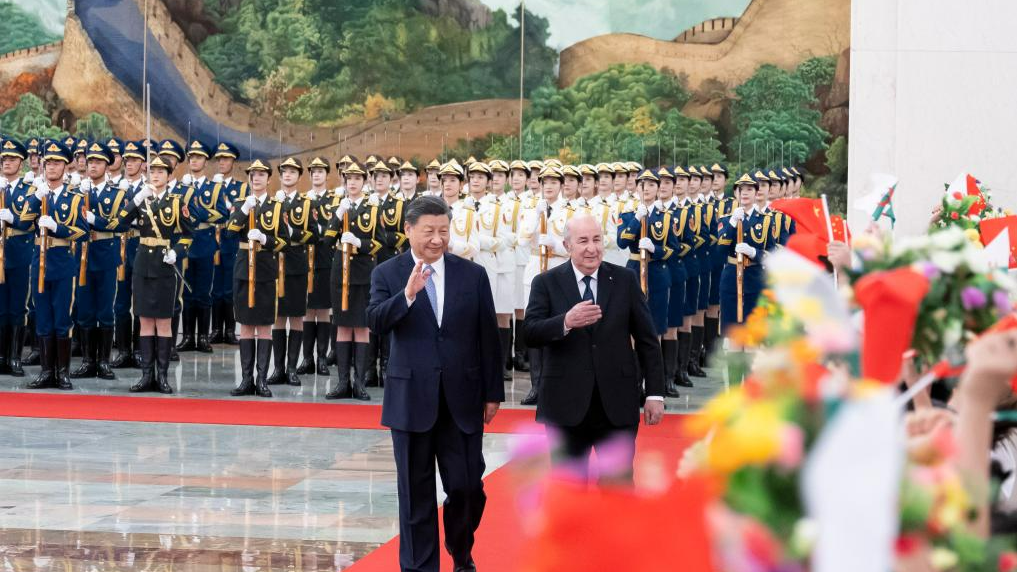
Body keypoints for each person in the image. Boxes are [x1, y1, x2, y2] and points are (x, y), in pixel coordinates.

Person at [367, 195, 503, 572]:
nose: (437, 239)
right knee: (415, 495)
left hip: (463, 398)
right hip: (411, 399)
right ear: (408, 230)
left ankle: (461, 551)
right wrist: (408, 295)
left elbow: (488, 335)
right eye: (428, 231)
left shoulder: (471, 274)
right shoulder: (388, 274)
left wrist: (494, 392)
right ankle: (419, 567)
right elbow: (376, 321)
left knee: (466, 487)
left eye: (443, 230)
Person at [524, 213, 664, 481]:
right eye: (583, 241)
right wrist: (565, 321)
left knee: (619, 490)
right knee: (570, 493)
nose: (592, 248)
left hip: (617, 405)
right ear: (568, 246)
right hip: (565, 406)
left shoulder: (625, 280)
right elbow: (531, 333)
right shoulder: (546, 282)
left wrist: (654, 393)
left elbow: (647, 339)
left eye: (597, 240)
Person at [115, 155, 193, 393]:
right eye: (153, 171)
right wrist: (136, 199)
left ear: (169, 176)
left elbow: (189, 234)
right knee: (145, 320)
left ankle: (162, 376)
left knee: (164, 322)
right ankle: (146, 376)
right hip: (142, 264)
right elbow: (119, 222)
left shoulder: (177, 202)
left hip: (164, 265)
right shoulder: (141, 199)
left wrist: (177, 253)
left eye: (161, 171)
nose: (156, 175)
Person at [23, 140, 89, 390]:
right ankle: (46, 371)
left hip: (61, 261)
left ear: (66, 166)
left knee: (62, 317)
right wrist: (34, 199)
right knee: (42, 317)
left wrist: (57, 227)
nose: (51, 167)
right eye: (48, 162)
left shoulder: (74, 199)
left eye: (56, 163)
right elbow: (23, 221)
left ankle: (63, 373)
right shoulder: (36, 195)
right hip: (38, 260)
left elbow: (83, 233)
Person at [322, 161, 386, 401]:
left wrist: (360, 243)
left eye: (357, 179)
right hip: (341, 271)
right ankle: (342, 382)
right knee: (342, 325)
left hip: (362, 272)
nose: (353, 183)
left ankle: (359, 383)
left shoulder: (373, 208)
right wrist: (337, 217)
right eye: (349, 179)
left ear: (364, 182)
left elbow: (381, 242)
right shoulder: (339, 207)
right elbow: (327, 242)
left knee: (361, 326)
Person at [226, 159, 288, 398]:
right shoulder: (241, 203)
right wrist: (243, 210)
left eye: (261, 174)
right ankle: (246, 379)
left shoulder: (277, 207)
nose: (257, 178)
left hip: (265, 268)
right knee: (246, 324)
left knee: (263, 325)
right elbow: (230, 231)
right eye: (253, 175)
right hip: (244, 267)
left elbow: (283, 241)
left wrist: (264, 239)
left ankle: (262, 379)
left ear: (269, 179)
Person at [70, 141, 130, 380]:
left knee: (105, 310)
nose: (92, 165)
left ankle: (103, 361)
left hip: (105, 255)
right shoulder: (77, 192)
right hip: (83, 255)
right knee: (84, 310)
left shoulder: (117, 195)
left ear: (107, 165)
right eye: (90, 161)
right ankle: (88, 360)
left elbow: (122, 224)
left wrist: (97, 220)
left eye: (98, 162)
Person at [267, 157, 316, 387]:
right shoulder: (270, 201)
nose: (287, 175)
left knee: (296, 316)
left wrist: (291, 232)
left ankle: (291, 368)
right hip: (275, 262)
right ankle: (277, 369)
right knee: (277, 317)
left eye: (292, 172)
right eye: (284, 171)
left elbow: (313, 235)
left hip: (296, 262)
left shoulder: (307, 204)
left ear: (299, 176)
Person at [177, 139, 228, 354]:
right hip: (186, 243)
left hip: (205, 241)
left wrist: (199, 213)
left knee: (204, 291)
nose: (194, 160)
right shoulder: (181, 187)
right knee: (187, 292)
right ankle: (188, 336)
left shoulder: (213, 188)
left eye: (198, 157)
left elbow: (223, 214)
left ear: (206, 161)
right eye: (191, 157)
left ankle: (203, 337)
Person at [295, 156, 335, 377]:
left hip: (324, 258)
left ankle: (322, 358)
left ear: (327, 175)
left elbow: (331, 229)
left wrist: (318, 231)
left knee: (323, 309)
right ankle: (307, 357)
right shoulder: (302, 200)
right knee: (307, 311)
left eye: (321, 171)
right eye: (314, 171)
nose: (317, 174)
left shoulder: (333, 201)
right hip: (304, 258)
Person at [0, 139, 36, 377]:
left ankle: (14, 357)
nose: (6, 163)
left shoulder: (29, 190)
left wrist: (11, 217)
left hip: (21, 252)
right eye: (4, 159)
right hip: (0, 253)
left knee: (17, 307)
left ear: (20, 162)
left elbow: (27, 221)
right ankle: (1, 355)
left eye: (11, 159)